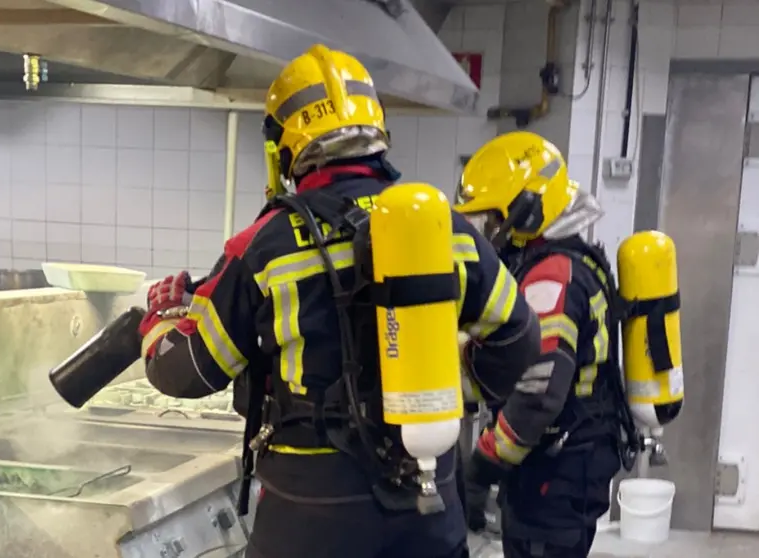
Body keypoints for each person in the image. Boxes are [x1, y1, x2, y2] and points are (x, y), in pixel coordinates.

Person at [137, 44, 540, 558]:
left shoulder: (263, 247)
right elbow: (521, 336)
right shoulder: (444, 228)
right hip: (427, 500)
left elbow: (189, 370)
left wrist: (157, 319)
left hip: (311, 511)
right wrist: (452, 380)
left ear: (284, 148)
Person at [455, 131, 632, 558]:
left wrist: (483, 464)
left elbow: (538, 392)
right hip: (565, 461)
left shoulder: (552, 275)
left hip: (559, 468)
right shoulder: (562, 261)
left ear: (528, 211)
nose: (491, 233)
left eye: (495, 220)